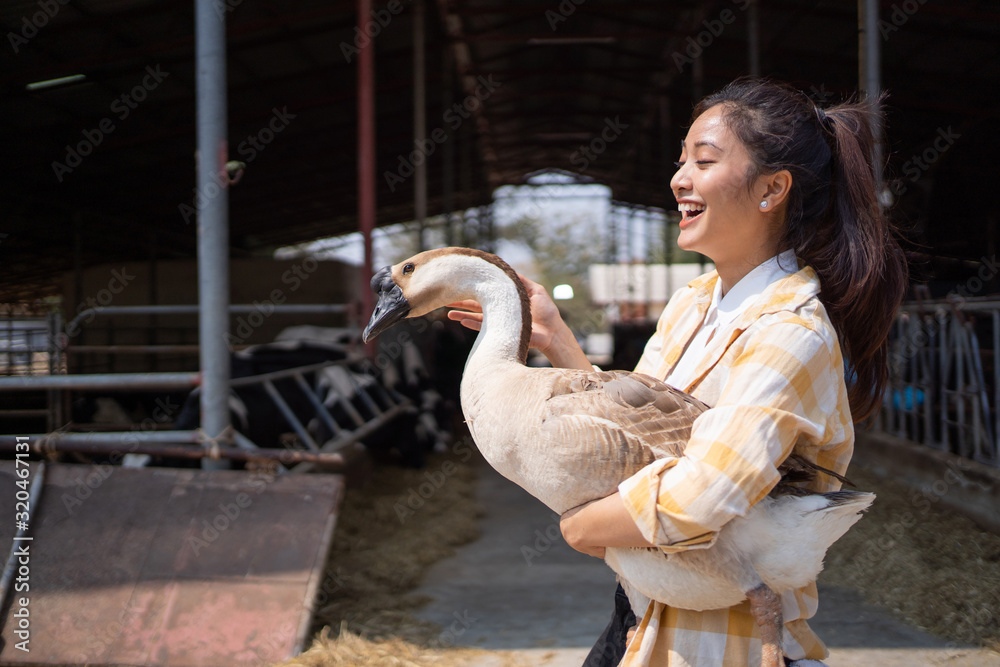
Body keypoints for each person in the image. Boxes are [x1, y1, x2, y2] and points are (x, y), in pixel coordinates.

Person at [448, 77, 907, 666]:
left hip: (724, 643)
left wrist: (582, 527)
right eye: (680, 160)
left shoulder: (791, 330)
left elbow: (707, 491)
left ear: (772, 189)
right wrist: (558, 339)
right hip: (643, 622)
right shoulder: (693, 302)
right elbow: (636, 432)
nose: (678, 178)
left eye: (704, 161)